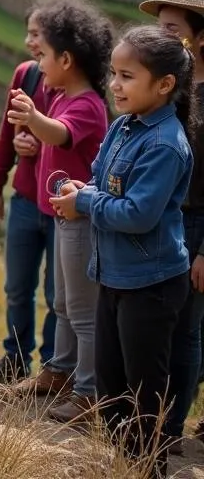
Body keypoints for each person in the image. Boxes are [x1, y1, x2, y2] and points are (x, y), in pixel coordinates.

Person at [52, 26, 197, 478]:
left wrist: (86, 203)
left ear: (164, 85)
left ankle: (147, 469)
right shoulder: (122, 126)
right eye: (114, 74)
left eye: (127, 76)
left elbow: (138, 213)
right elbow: (101, 178)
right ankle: (127, 465)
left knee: (143, 398)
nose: (115, 85)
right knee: (113, 391)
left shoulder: (165, 143)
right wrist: (83, 189)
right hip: (113, 275)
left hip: (151, 286)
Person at [6, 0, 112, 425]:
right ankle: (59, 371)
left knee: (82, 311)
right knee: (64, 303)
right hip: (62, 217)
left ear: (67, 59)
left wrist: (33, 118)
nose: (39, 64)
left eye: (45, 55)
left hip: (81, 220)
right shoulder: (61, 94)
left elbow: (60, 135)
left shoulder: (84, 104)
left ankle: (87, 392)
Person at [140, 0, 204, 453]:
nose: (160, 36)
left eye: (171, 29)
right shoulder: (168, 88)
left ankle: (171, 429)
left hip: (196, 223)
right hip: (162, 218)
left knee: (185, 331)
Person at [0, 1, 57, 384]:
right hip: (26, 198)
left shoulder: (78, 86)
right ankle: (15, 357)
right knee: (17, 285)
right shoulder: (25, 76)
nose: (29, 42)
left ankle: (53, 368)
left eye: (37, 35)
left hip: (62, 207)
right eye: (28, 33)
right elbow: (6, 136)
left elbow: (79, 140)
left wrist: (40, 144)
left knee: (57, 293)